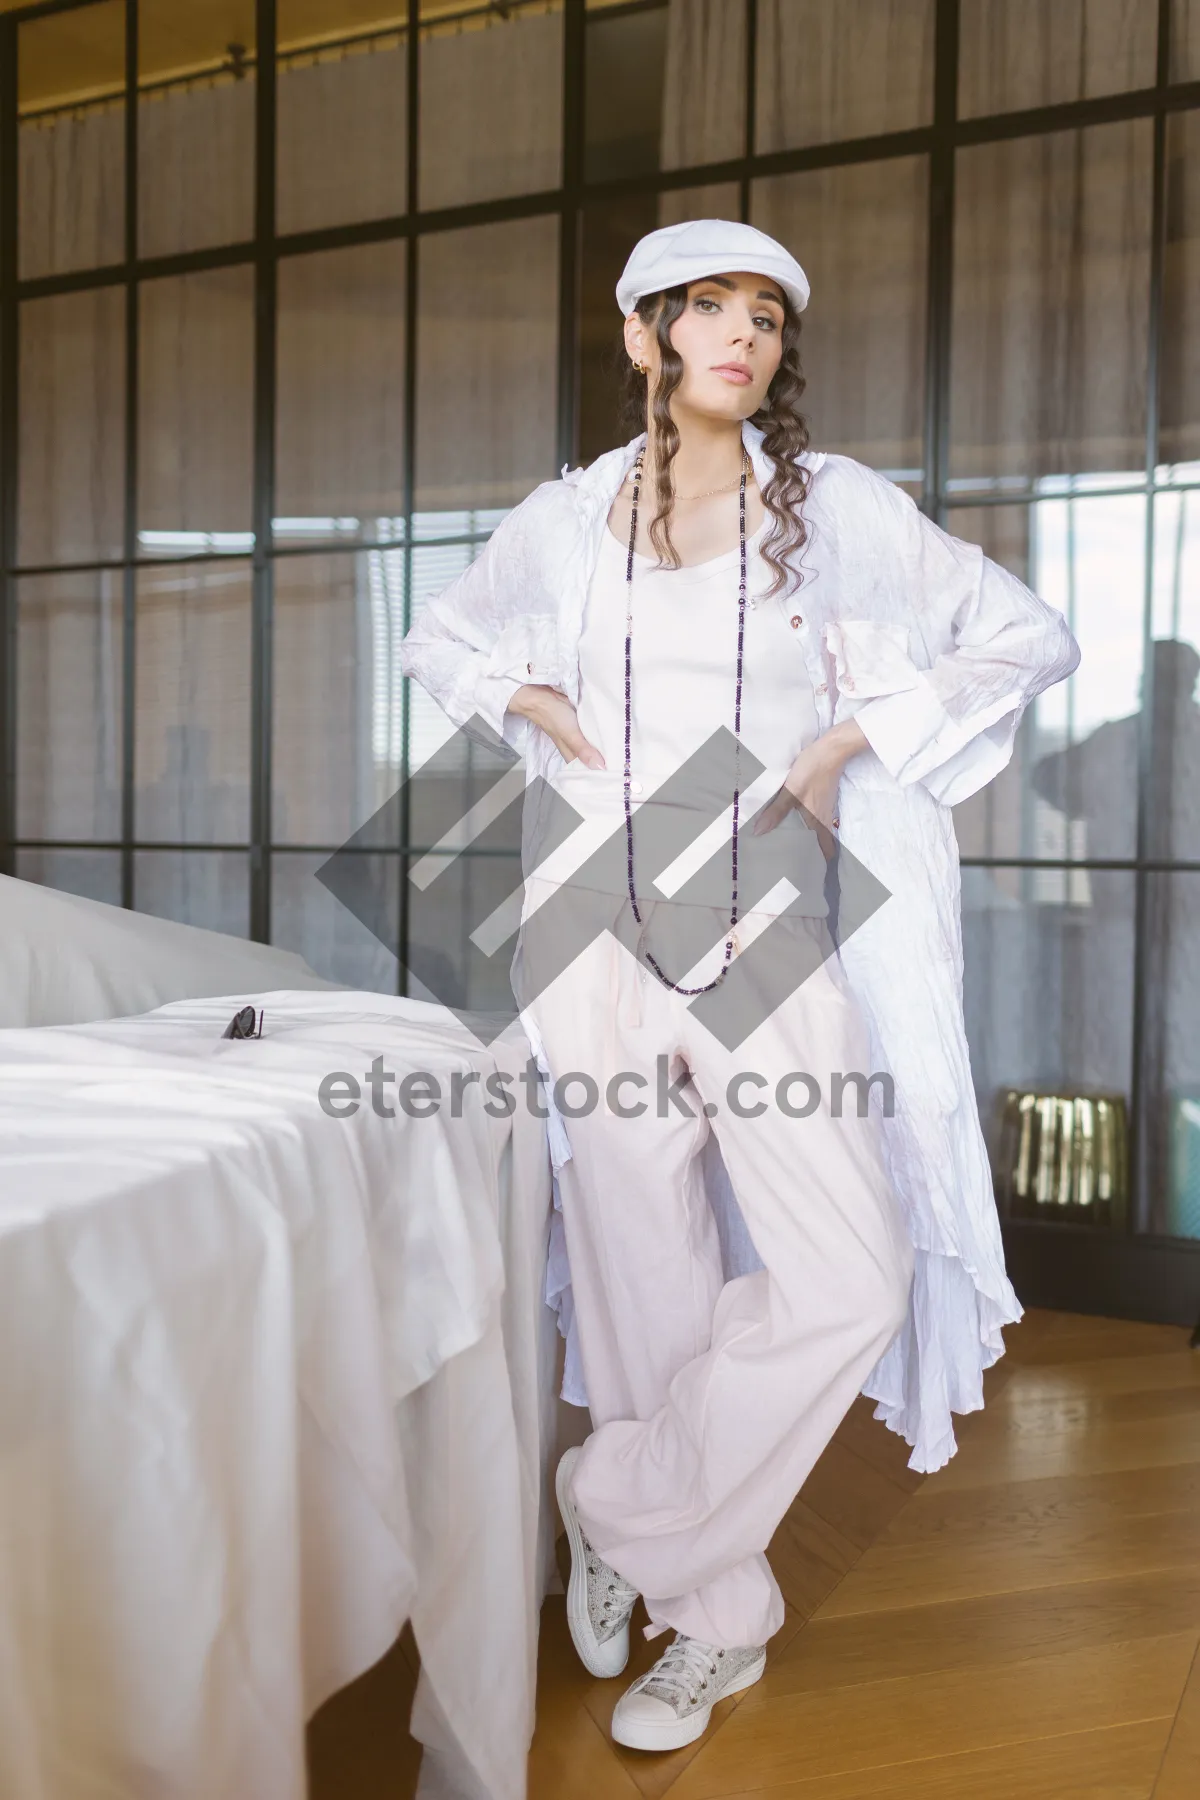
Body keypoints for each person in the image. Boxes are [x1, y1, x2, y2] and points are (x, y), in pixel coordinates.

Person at [397, 218, 1081, 1753]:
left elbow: (1028, 636)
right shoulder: (567, 516)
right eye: (708, 309)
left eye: (766, 317)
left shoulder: (832, 506)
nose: (742, 338)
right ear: (644, 336)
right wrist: (517, 690)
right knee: (643, 1271)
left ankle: (612, 1503)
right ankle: (716, 1623)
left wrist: (855, 740)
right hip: (586, 914)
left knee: (850, 1270)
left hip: (763, 897)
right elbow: (433, 638)